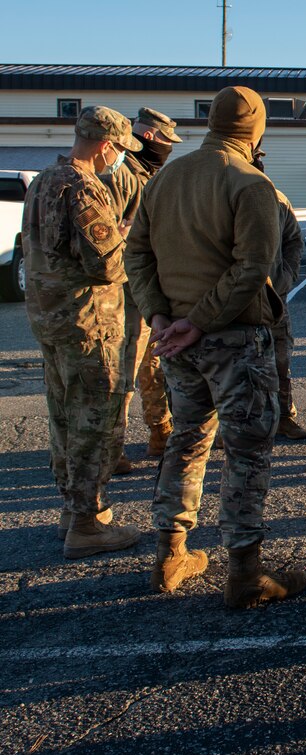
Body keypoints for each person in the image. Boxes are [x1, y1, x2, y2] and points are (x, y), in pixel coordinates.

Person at [125, 86, 306, 605]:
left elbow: (135, 252)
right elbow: (252, 268)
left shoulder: (165, 179)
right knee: (247, 452)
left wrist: (163, 315)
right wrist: (200, 322)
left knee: (187, 439)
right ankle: (246, 572)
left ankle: (170, 552)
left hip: (178, 340)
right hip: (232, 339)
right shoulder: (249, 183)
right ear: (257, 129)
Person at [22, 105, 143, 557]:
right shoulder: (83, 187)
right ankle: (88, 524)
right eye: (118, 150)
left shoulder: (42, 181)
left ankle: (73, 510)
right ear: (107, 145)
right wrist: (126, 231)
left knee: (64, 416)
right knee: (96, 419)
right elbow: (107, 264)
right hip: (87, 321)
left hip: (51, 318)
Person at [100, 107, 183, 472]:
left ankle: (160, 434)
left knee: (152, 365)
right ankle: (110, 449)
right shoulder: (122, 175)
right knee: (121, 373)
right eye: (166, 141)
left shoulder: (146, 174)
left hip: (148, 288)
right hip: (126, 291)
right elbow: (115, 236)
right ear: (148, 136)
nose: (169, 148)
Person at [252, 147, 306, 440]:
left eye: (259, 156)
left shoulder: (276, 198)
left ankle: (285, 417)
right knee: (231, 366)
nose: (257, 160)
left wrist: (286, 278)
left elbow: (293, 242)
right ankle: (228, 427)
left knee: (280, 360)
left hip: (273, 296)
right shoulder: (214, 191)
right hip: (227, 300)